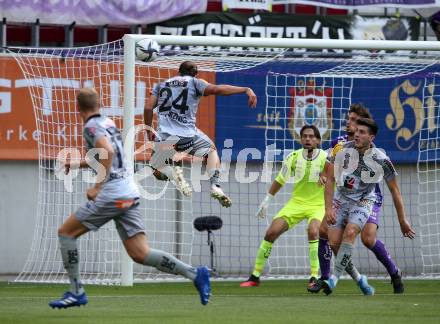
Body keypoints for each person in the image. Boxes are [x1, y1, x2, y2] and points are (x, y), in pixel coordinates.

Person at [49, 88, 211, 309]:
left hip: (113, 194)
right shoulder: (107, 123)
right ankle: (195, 274)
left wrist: (97, 186)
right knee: (140, 253)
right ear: (100, 105)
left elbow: (107, 152)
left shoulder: (91, 126)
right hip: (128, 192)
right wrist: (77, 164)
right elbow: (111, 155)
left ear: (78, 107)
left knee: (66, 233)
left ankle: (77, 291)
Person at [309, 104, 407, 294]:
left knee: (367, 238)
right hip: (343, 195)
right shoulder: (339, 145)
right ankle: (339, 277)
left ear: (369, 133)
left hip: (368, 196)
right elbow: (328, 174)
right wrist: (325, 183)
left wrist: (402, 220)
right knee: (328, 235)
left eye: (354, 121)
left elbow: (393, 188)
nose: (349, 123)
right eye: (349, 119)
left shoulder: (377, 155)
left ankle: (393, 273)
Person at [144, 61, 257, 207]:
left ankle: (172, 173)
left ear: (178, 72)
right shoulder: (196, 83)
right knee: (211, 151)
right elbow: (217, 89)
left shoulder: (161, 85)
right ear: (196, 74)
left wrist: (148, 130)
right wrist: (245, 89)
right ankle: (215, 185)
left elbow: (148, 107)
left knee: (157, 171)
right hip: (187, 136)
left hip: (164, 137)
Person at [240, 125, 327, 289]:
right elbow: (280, 180)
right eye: (305, 136)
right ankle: (255, 276)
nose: (308, 139)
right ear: (301, 139)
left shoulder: (325, 157)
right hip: (296, 203)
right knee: (271, 232)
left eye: (311, 136)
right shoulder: (293, 157)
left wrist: (325, 175)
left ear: (317, 140)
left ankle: (314, 276)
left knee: (314, 231)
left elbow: (334, 175)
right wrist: (267, 200)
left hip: (318, 205)